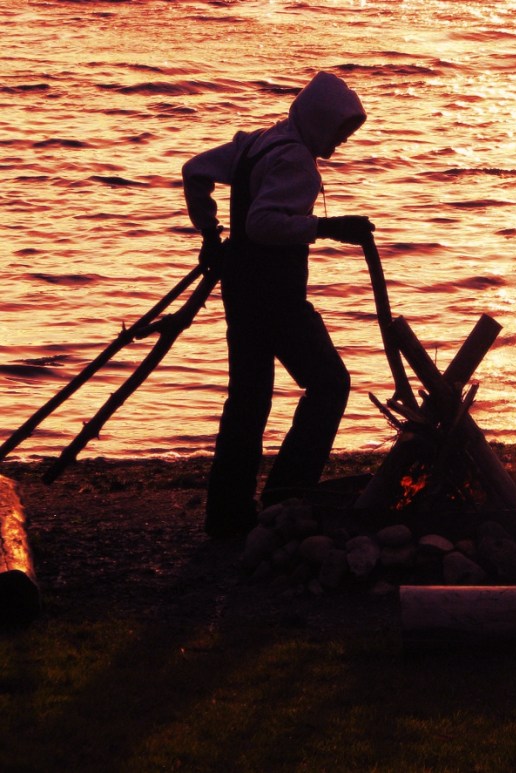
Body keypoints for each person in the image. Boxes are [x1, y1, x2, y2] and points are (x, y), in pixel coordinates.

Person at [182, 71, 374, 538]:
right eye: (341, 131)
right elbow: (261, 224)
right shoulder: (296, 161)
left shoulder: (257, 142)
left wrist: (209, 233)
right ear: (321, 121)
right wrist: (327, 229)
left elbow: (195, 171)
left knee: (248, 401)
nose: (342, 142)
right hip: (276, 297)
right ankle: (287, 497)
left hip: (242, 292)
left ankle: (228, 517)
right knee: (330, 384)